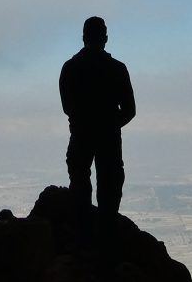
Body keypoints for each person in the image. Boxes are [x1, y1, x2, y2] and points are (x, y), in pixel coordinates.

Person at [59, 15, 136, 253]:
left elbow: (67, 107)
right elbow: (130, 110)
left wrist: (84, 123)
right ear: (105, 38)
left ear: (84, 37)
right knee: (109, 185)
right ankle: (106, 239)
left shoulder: (70, 68)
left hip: (81, 135)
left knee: (80, 182)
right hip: (108, 137)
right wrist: (110, 125)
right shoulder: (117, 69)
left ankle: (83, 238)